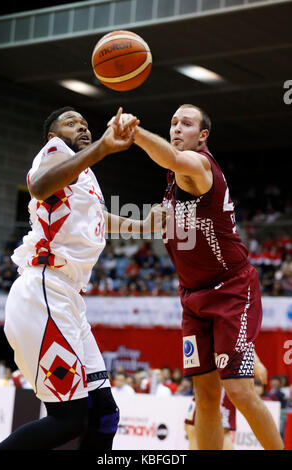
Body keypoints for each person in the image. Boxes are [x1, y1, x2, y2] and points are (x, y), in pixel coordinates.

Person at [112, 104, 284, 450]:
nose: (177, 128)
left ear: (202, 136)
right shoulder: (173, 188)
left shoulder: (199, 166)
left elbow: (173, 160)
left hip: (231, 288)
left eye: (186, 124)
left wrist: (136, 133)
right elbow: (150, 224)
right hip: (192, 296)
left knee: (238, 389)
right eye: (173, 122)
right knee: (205, 395)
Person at [0, 106, 165, 450]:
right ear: (53, 135)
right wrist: (102, 146)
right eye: (71, 123)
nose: (81, 128)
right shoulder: (55, 153)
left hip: (68, 298)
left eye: (85, 124)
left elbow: (99, 217)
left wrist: (144, 226)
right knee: (69, 419)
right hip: (44, 291)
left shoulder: (84, 175)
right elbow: (41, 187)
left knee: (104, 416)